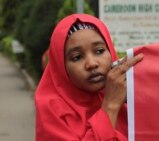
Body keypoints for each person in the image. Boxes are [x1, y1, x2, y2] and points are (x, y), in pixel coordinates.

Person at [35, 13, 143, 141]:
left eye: (99, 51)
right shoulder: (52, 109)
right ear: (62, 66)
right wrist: (110, 106)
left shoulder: (127, 92)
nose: (92, 64)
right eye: (77, 57)